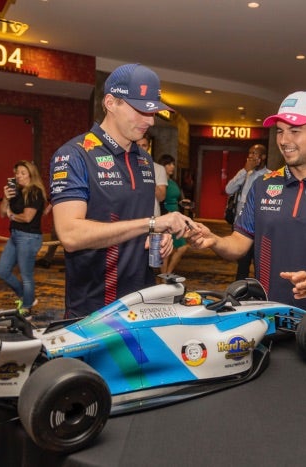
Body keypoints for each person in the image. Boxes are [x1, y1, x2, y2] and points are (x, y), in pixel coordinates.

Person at [189, 91, 306, 311]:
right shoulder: (263, 185)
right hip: (264, 312)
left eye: (295, 131)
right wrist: (215, 240)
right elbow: (239, 244)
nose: (284, 141)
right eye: (280, 131)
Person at [49, 63, 196, 318]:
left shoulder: (144, 160)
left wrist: (160, 236)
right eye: (140, 110)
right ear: (110, 102)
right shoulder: (75, 155)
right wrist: (151, 224)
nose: (149, 121)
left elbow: (143, 222)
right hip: (94, 307)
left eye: (153, 112)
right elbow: (70, 236)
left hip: (144, 301)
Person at [0, 160, 48, 316]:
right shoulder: (17, 192)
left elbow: (27, 218)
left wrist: (11, 215)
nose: (18, 176)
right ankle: (27, 297)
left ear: (31, 175)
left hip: (29, 237)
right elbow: (1, 213)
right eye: (17, 173)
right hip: (15, 235)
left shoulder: (35, 192)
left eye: (22, 173)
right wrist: (6, 198)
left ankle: (26, 308)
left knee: (26, 275)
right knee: (2, 271)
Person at [225, 144, 270, 280]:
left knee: (260, 266)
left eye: (254, 153)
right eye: (249, 153)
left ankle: (260, 295)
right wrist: (244, 170)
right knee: (242, 265)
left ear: (263, 157)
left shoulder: (270, 176)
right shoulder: (245, 174)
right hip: (241, 228)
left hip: (259, 230)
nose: (250, 156)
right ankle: (240, 295)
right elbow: (228, 189)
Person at [158, 154, 190, 274]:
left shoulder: (172, 181)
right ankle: (164, 277)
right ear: (162, 166)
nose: (172, 166)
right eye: (169, 164)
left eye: (173, 164)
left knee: (181, 247)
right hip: (165, 215)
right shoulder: (160, 182)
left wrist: (182, 202)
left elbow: (174, 198)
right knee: (167, 249)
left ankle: (167, 274)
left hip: (175, 215)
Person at [138, 133, 168, 217]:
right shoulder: (125, 166)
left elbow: (161, 197)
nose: (140, 148)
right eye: (138, 145)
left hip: (152, 217)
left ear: (148, 147)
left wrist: (148, 177)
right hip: (131, 217)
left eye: (144, 145)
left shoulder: (159, 168)